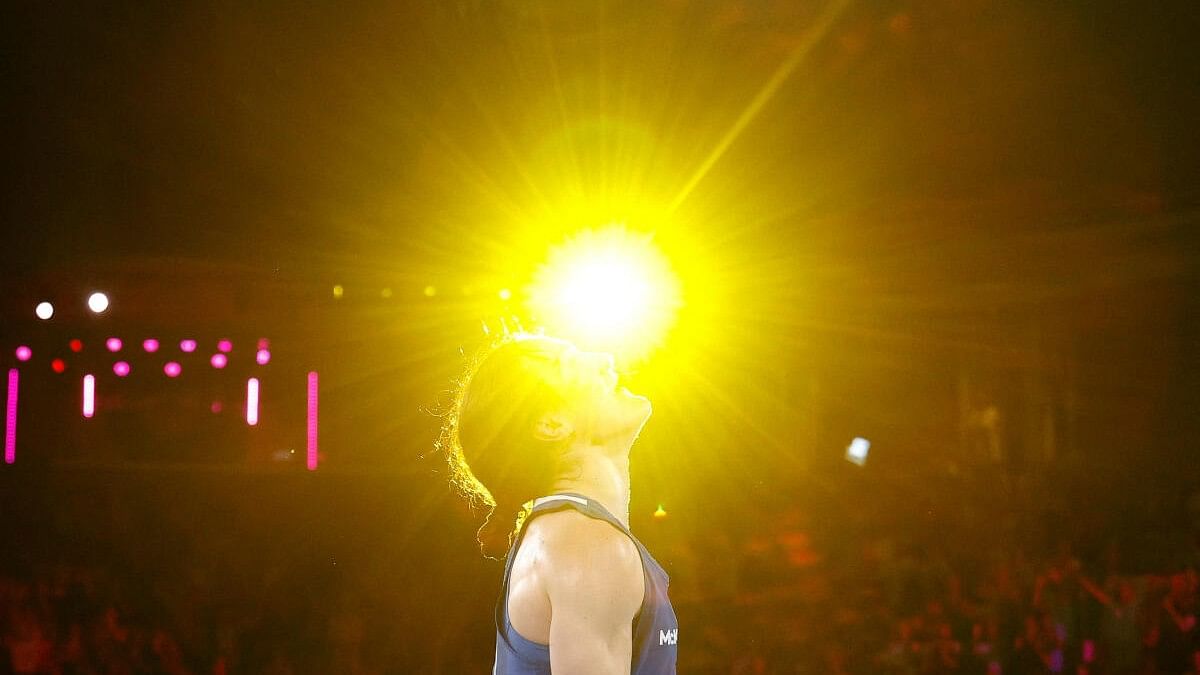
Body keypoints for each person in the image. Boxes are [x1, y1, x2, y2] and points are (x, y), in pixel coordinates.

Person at [440, 334, 678, 674]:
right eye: (567, 364)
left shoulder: (565, 535)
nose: (604, 359)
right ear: (552, 425)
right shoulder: (587, 546)